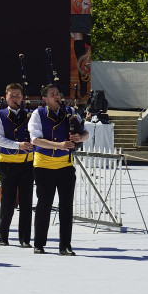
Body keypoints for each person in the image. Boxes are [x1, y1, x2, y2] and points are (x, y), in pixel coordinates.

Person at [29, 83, 89, 255]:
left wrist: (79, 138)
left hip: (65, 165)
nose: (57, 96)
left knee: (66, 206)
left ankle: (65, 245)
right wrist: (59, 145)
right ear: (45, 99)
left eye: (58, 93)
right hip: (44, 165)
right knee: (44, 205)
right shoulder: (38, 114)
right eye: (52, 94)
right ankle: (39, 243)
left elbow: (86, 133)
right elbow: (35, 140)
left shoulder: (70, 112)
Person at [0, 83, 35, 247]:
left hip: (27, 163)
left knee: (26, 202)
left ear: (22, 97)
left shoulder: (30, 115)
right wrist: (18, 145)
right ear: (6, 97)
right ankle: (4, 236)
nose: (15, 98)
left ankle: (25, 238)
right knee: (8, 201)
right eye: (12, 95)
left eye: (18, 95)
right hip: (8, 163)